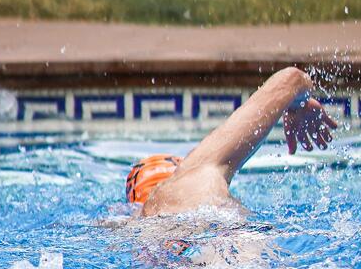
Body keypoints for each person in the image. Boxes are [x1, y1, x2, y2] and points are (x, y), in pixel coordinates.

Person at [126, 67, 338, 220]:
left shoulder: (137, 221)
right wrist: (298, 106)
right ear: (177, 168)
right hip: (231, 240)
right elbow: (291, 79)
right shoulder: (196, 170)